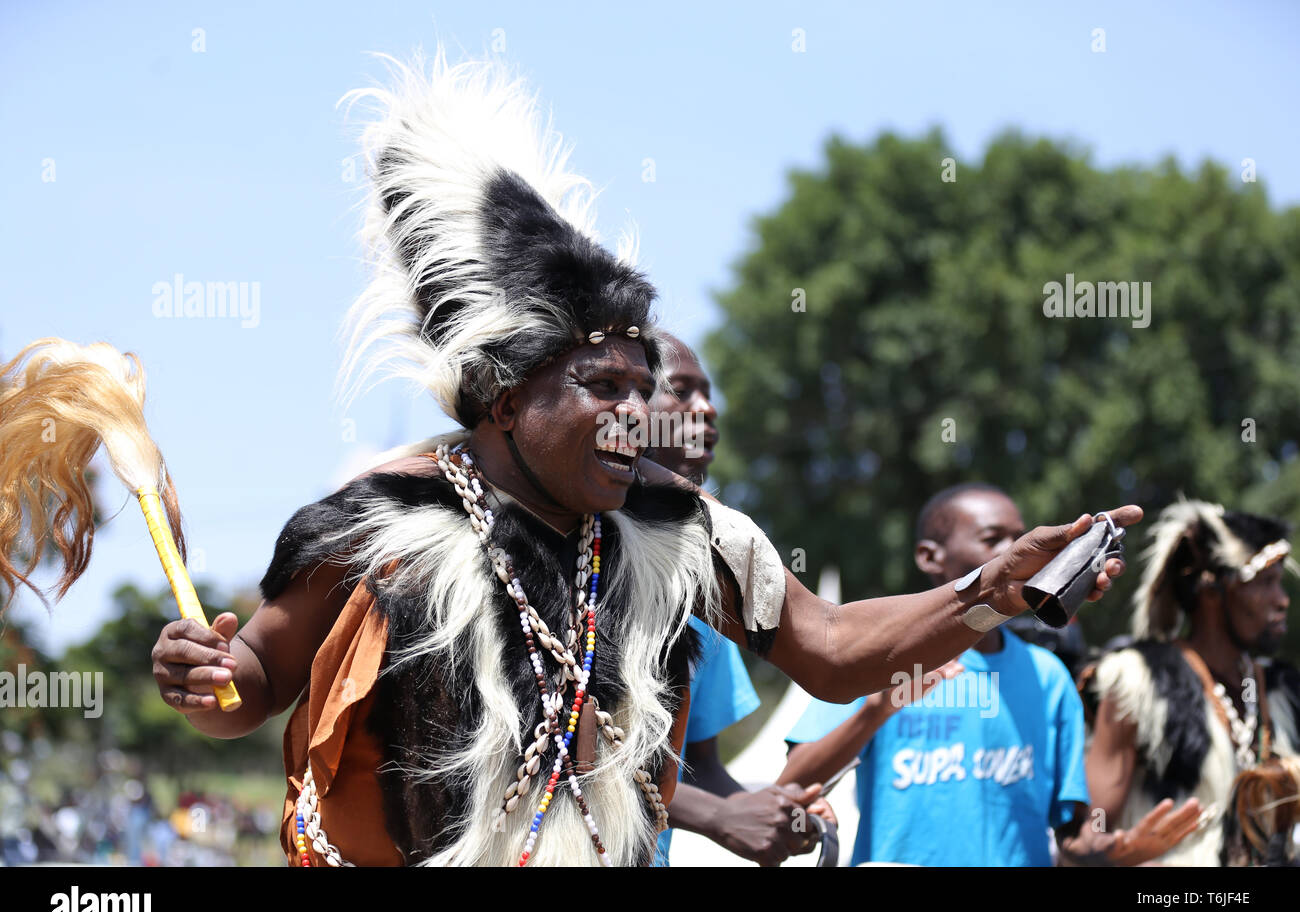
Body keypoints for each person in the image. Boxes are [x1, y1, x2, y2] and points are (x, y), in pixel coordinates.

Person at [147, 52, 1137, 867]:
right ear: (505, 394)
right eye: (602, 386)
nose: (638, 413)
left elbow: (830, 648)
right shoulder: (383, 520)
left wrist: (990, 593)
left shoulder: (673, 526)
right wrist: (205, 676)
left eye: (642, 381)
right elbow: (255, 682)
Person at [780, 484, 1197, 866]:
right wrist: (876, 710)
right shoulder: (876, 660)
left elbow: (1072, 835)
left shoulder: (1048, 677)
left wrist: (1115, 852)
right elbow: (791, 788)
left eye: (1018, 536)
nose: (1013, 550)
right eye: (992, 538)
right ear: (930, 556)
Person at [647, 335, 831, 866]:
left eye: (709, 394)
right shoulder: (569, 559)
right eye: (681, 391)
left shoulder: (706, 584)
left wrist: (776, 813)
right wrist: (717, 818)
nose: (707, 409)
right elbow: (568, 754)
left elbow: (696, 767)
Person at [1082, 497, 1297, 865]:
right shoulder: (1137, 681)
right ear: (1213, 589)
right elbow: (1084, 840)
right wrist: (1125, 849)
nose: (1282, 600)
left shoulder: (1283, 688)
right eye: (1265, 582)